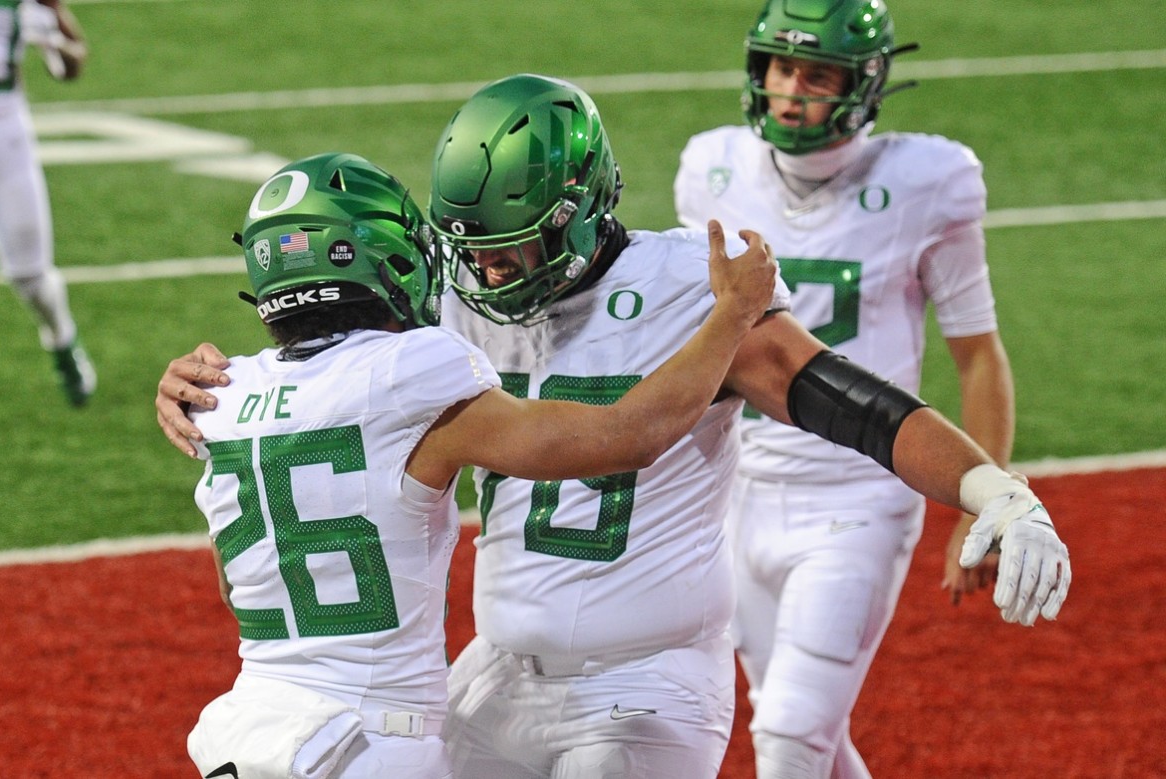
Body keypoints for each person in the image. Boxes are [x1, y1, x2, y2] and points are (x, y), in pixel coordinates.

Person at [156, 75, 1070, 779]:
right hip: (497, 674)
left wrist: (993, 486)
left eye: (513, 246)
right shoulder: (455, 303)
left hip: (644, 679)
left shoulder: (687, 286)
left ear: (584, 208)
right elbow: (328, 376)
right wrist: (197, 383)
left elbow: (841, 400)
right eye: (471, 248)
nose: (492, 272)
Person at [178, 151, 777, 779]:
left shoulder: (223, 395)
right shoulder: (411, 369)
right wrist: (732, 316)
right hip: (370, 741)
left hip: (246, 734)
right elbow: (628, 435)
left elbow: (234, 584)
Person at [672, 1, 1016, 776]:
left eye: (817, 73)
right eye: (781, 67)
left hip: (859, 494)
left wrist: (979, 497)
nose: (792, 89)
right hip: (738, 495)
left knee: (791, 735)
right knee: (813, 743)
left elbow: (978, 354)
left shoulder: (929, 181)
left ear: (863, 84)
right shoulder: (711, 169)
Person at [0, 0, 94, 405]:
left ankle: (61, 337)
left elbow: (74, 64)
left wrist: (51, 36)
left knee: (30, 275)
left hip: (3, 132)